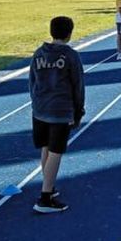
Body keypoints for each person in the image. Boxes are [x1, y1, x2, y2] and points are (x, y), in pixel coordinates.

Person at [29, 16, 86, 213]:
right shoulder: (71, 56)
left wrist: (35, 106)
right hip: (60, 111)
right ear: (69, 34)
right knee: (56, 152)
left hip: (40, 110)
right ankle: (45, 197)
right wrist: (78, 111)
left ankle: (49, 187)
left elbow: (32, 82)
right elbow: (78, 86)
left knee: (45, 148)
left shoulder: (38, 54)